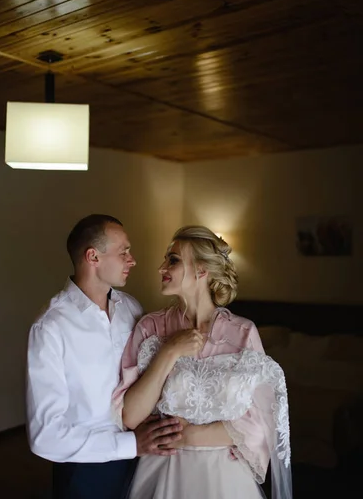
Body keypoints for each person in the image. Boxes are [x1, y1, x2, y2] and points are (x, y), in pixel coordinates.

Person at [113, 225, 292, 499]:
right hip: (163, 472)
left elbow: (260, 420)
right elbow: (131, 416)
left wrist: (189, 437)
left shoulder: (242, 332)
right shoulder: (150, 327)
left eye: (172, 260)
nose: (162, 267)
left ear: (201, 270)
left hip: (225, 476)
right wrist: (169, 352)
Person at [26, 214, 183, 499]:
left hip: (144, 459)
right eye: (123, 251)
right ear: (93, 257)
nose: (132, 260)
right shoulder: (51, 327)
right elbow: (44, 436)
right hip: (85, 472)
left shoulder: (132, 309)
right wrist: (130, 444)